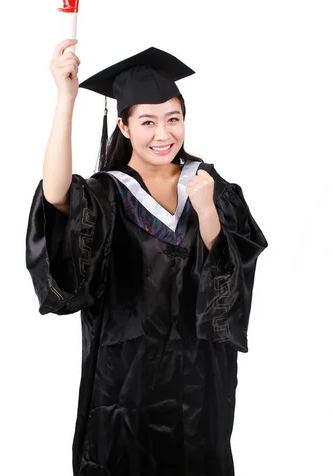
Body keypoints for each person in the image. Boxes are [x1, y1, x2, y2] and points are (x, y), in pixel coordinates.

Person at [25, 38, 269, 475]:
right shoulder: (108, 193)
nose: (163, 134)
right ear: (123, 127)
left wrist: (208, 209)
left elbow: (230, 276)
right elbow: (57, 196)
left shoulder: (211, 186)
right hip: (125, 386)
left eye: (173, 119)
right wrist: (66, 99)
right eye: (148, 121)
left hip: (199, 382)